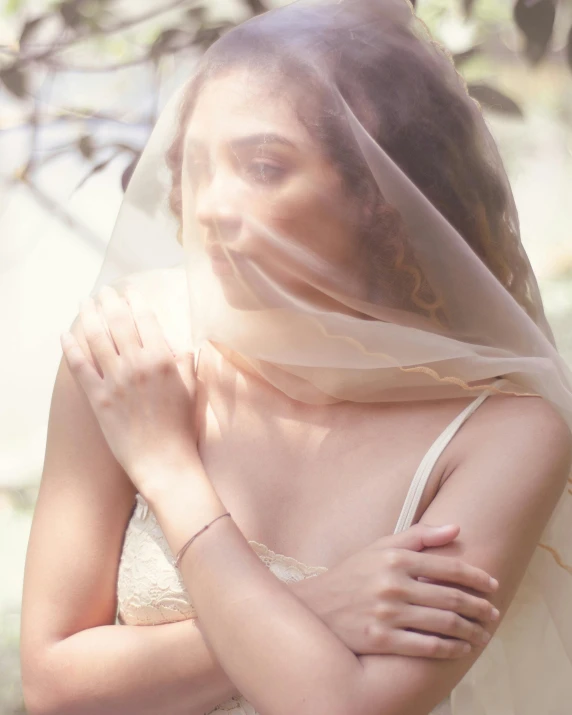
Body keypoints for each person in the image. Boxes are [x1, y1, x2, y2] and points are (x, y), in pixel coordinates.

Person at [20, 1, 572, 714]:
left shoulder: (507, 430)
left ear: (377, 193)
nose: (212, 206)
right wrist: (324, 603)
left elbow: (347, 707)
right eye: (197, 164)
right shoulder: (134, 352)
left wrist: (169, 469)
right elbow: (54, 684)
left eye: (262, 166)